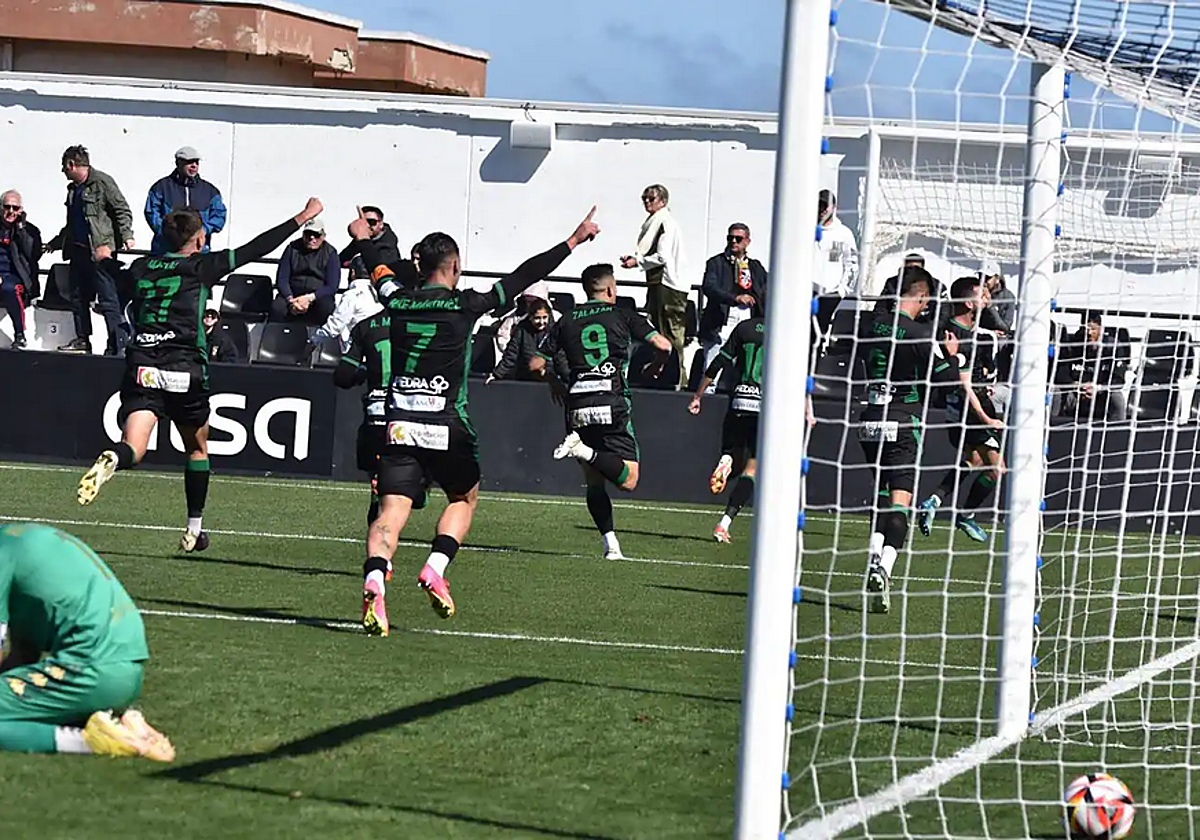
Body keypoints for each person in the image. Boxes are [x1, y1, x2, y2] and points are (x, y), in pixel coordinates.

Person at [349, 206, 601, 635]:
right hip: (447, 424)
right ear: (455, 266)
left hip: (400, 425)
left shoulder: (397, 299)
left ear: (420, 266)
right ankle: (435, 567)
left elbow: (379, 269)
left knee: (391, 511)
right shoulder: (467, 304)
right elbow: (525, 275)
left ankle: (375, 578)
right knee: (463, 499)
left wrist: (362, 239)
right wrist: (573, 241)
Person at [76, 197, 325, 553]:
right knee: (196, 448)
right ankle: (194, 529)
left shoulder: (141, 268)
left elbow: (116, 277)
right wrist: (301, 217)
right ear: (197, 240)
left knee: (134, 446)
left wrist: (104, 260)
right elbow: (256, 248)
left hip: (143, 366)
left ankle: (115, 458)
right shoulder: (202, 266)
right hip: (184, 368)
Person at [0, 522, 173, 762]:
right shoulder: (19, 539)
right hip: (125, 671)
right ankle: (118, 720)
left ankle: (88, 740)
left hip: (91, 670)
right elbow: (23, 656)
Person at [535, 263, 671, 560]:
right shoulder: (623, 314)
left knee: (594, 480)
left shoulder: (567, 319)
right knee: (629, 479)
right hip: (611, 401)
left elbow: (535, 362)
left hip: (577, 405)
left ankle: (611, 546)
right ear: (610, 289)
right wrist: (656, 365)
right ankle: (582, 450)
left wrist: (553, 382)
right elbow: (664, 345)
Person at [857, 266, 961, 614]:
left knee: (880, 495)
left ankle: (872, 560)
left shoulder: (871, 325)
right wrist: (952, 355)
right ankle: (884, 568)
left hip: (870, 420)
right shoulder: (918, 334)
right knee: (900, 502)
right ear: (921, 296)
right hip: (903, 421)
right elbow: (946, 382)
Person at [917, 275, 1006, 543]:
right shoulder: (956, 336)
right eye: (982, 295)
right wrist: (986, 418)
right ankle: (966, 515)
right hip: (970, 407)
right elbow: (964, 386)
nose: (987, 298)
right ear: (969, 303)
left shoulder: (968, 331)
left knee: (973, 460)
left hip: (959, 406)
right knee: (997, 469)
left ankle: (934, 500)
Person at [46, 145, 135, 356]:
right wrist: (56, 243)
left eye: (64, 167)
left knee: (108, 299)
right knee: (78, 298)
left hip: (99, 253)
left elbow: (121, 209)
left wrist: (126, 236)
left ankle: (117, 344)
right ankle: (82, 340)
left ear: (71, 164)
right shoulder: (72, 190)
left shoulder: (102, 183)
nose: (63, 171)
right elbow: (72, 223)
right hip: (78, 252)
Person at [688, 316, 764, 543]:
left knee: (733, 452)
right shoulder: (783, 331)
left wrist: (698, 395)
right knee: (752, 468)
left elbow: (720, 361)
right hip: (762, 407)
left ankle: (727, 458)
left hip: (738, 401)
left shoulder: (744, 328)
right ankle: (724, 523)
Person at [620, 184, 690, 389]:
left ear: (663, 201)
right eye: (644, 198)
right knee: (659, 332)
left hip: (668, 285)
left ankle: (678, 378)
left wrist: (637, 262)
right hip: (659, 284)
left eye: (651, 198)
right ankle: (661, 373)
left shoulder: (665, 223)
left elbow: (662, 256)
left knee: (671, 333)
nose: (647, 202)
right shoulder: (655, 222)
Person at [334, 306, 394, 527]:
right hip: (409, 412)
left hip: (375, 414)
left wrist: (364, 372)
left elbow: (343, 376)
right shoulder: (423, 322)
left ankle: (378, 488)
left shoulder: (365, 326)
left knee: (378, 470)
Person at [698, 223, 767, 390]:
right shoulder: (716, 263)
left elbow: (766, 289)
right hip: (721, 322)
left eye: (738, 238)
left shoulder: (755, 267)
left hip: (747, 323)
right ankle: (705, 398)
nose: (734, 241)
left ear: (747, 241)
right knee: (713, 367)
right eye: (730, 238)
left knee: (743, 369)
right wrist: (735, 298)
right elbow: (710, 287)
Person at [144, 146, 227, 256]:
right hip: (164, 251)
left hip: (199, 253)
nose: (194, 165)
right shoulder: (160, 187)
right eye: (189, 162)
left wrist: (203, 230)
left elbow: (219, 215)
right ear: (178, 163)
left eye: (196, 162)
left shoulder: (210, 191)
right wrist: (169, 234)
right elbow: (151, 213)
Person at [1058, 311, 1128, 423]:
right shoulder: (1073, 345)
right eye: (1086, 329)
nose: (1089, 333)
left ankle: (1117, 431)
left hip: (1101, 394)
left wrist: (1098, 388)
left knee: (1117, 397)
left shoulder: (1113, 347)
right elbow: (1061, 373)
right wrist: (1076, 386)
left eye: (1093, 329)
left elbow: (1118, 380)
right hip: (1075, 393)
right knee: (1055, 393)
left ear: (1100, 329)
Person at [270, 218, 340, 325]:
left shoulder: (330, 253)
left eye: (316, 235)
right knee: (277, 307)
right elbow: (282, 279)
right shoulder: (292, 249)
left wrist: (309, 298)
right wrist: (291, 300)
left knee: (326, 307)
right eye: (308, 234)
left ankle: (322, 335)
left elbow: (332, 286)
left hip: (317, 296)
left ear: (323, 236)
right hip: (293, 294)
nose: (312, 238)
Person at [813, 190, 859, 341]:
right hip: (808, 291)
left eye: (826, 206)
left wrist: (842, 290)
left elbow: (851, 264)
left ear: (833, 208)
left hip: (830, 293)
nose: (823, 210)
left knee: (820, 331)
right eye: (820, 205)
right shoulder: (806, 229)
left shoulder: (843, 233)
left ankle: (817, 354)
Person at [0, 190, 42, 350]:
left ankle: (19, 334)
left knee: (9, 288)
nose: (11, 211)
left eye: (15, 208)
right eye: (7, 207)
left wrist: (21, 228)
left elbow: (32, 254)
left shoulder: (29, 230)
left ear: (21, 210)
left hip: (16, 277)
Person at [488, 300, 555, 382]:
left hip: (549, 378)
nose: (541, 322)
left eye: (544, 317)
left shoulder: (554, 331)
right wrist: (497, 374)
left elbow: (560, 357)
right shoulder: (521, 330)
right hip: (525, 378)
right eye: (537, 318)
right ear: (530, 317)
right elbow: (511, 354)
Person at [339, 205, 399, 278]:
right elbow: (341, 260)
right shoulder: (361, 238)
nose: (367, 225)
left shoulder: (388, 245)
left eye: (371, 222)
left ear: (381, 224)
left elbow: (379, 268)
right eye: (363, 222)